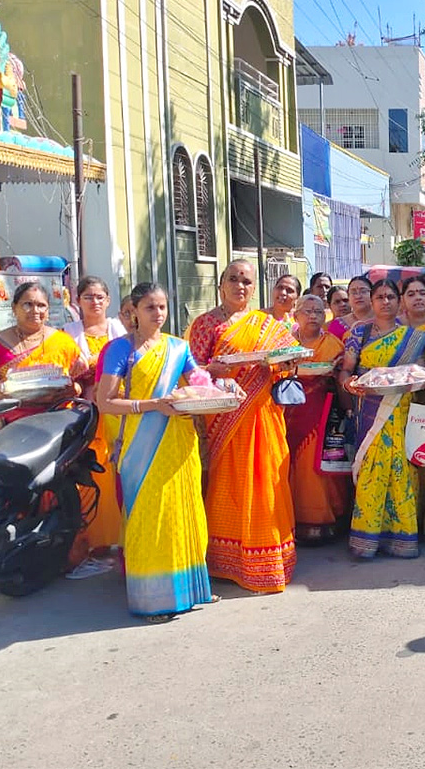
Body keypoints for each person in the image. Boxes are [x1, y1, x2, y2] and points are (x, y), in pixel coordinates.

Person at [95, 283, 216, 622]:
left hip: (179, 441)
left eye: (162, 307)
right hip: (140, 445)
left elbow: (199, 383)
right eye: (150, 307)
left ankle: (191, 590)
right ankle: (152, 599)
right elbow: (104, 401)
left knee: (184, 512)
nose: (158, 314)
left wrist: (203, 397)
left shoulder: (178, 347)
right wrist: (153, 406)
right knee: (150, 517)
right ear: (134, 310)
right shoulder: (120, 350)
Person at [188, 260, 298, 592]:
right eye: (233, 279)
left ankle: (268, 560)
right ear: (220, 285)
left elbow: (285, 367)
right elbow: (191, 370)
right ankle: (225, 561)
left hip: (263, 415)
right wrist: (213, 370)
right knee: (228, 486)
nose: (240, 286)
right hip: (223, 418)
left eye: (247, 281)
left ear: (254, 288)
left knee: (267, 488)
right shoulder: (206, 324)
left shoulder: (267, 324)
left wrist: (289, 364)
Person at [338, 279, 425, 559]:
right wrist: (349, 385)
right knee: (371, 469)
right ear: (372, 300)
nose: (385, 302)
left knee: (401, 469)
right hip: (369, 409)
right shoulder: (361, 332)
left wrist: (421, 376)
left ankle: (402, 538)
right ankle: (366, 540)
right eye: (380, 296)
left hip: (401, 409)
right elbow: (345, 371)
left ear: (399, 301)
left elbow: (423, 373)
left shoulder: (414, 338)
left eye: (391, 296)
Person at [64, 276, 129, 565]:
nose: (95, 302)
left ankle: (121, 536)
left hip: (117, 408)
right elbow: (62, 372)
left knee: (117, 467)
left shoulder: (120, 330)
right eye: (88, 296)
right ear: (78, 301)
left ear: (108, 300)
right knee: (91, 470)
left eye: (100, 296)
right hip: (86, 411)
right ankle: (94, 539)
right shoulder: (67, 334)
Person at [285, 294, 349, 545]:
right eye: (307, 311)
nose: (313, 316)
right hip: (288, 411)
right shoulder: (286, 342)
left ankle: (324, 521)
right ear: (296, 315)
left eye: (318, 312)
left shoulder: (333, 343)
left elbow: (340, 375)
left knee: (316, 467)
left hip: (321, 412)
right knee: (291, 466)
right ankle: (292, 521)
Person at [0, 282, 86, 425]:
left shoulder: (63, 341)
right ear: (14, 308)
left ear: (48, 310)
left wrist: (74, 389)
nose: (35, 310)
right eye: (27, 305)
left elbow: (82, 379)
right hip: (13, 425)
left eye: (41, 305)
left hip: (59, 421)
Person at [328, 275, 374, 339]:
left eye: (363, 291)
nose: (358, 296)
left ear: (373, 294)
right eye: (353, 292)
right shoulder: (337, 325)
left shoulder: (385, 320)